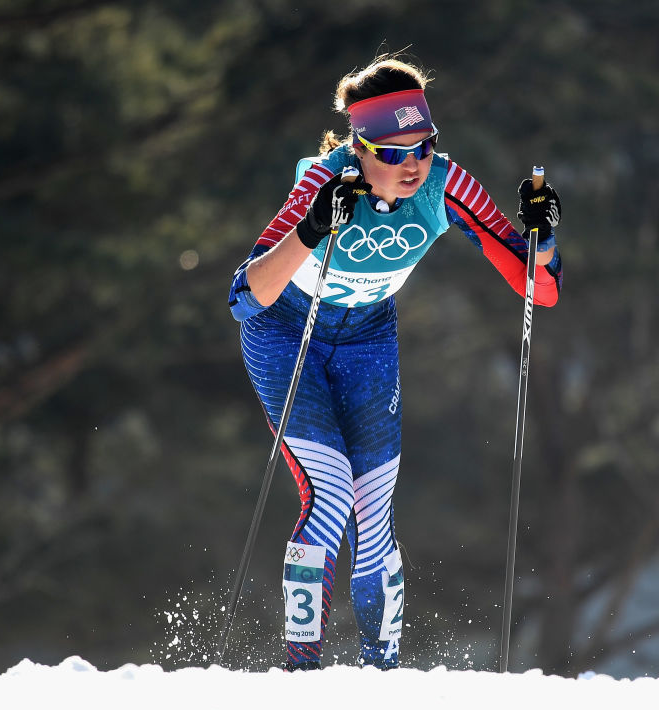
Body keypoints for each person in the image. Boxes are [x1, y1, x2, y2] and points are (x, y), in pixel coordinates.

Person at [227, 55, 562, 671]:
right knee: (329, 498)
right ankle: (302, 673)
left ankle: (380, 675)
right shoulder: (324, 184)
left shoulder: (446, 185)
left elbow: (538, 291)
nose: (411, 166)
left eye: (424, 148)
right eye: (391, 152)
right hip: (287, 333)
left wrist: (544, 241)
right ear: (358, 149)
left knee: (373, 508)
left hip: (367, 339)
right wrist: (308, 231)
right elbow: (246, 301)